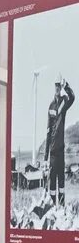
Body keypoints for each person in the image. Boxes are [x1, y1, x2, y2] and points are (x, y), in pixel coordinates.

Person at [45, 79, 75, 208]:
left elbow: (72, 98)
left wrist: (66, 86)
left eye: (59, 85)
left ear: (60, 87)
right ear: (53, 87)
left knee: (61, 182)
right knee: (52, 184)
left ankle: (62, 208)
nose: (57, 88)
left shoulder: (64, 101)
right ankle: (52, 209)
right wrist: (45, 156)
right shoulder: (51, 106)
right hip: (52, 152)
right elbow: (48, 131)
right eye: (55, 85)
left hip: (61, 150)